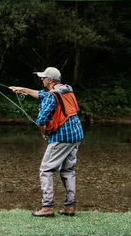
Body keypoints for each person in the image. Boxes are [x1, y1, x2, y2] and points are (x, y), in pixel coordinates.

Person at [9, 67, 84, 217]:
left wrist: (44, 133)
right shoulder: (66, 89)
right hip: (76, 135)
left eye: (43, 78)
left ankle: (47, 207)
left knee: (46, 170)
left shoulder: (52, 96)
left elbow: (41, 120)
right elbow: (42, 94)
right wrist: (22, 89)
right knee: (68, 170)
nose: (41, 79)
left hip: (62, 137)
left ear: (50, 80)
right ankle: (69, 207)